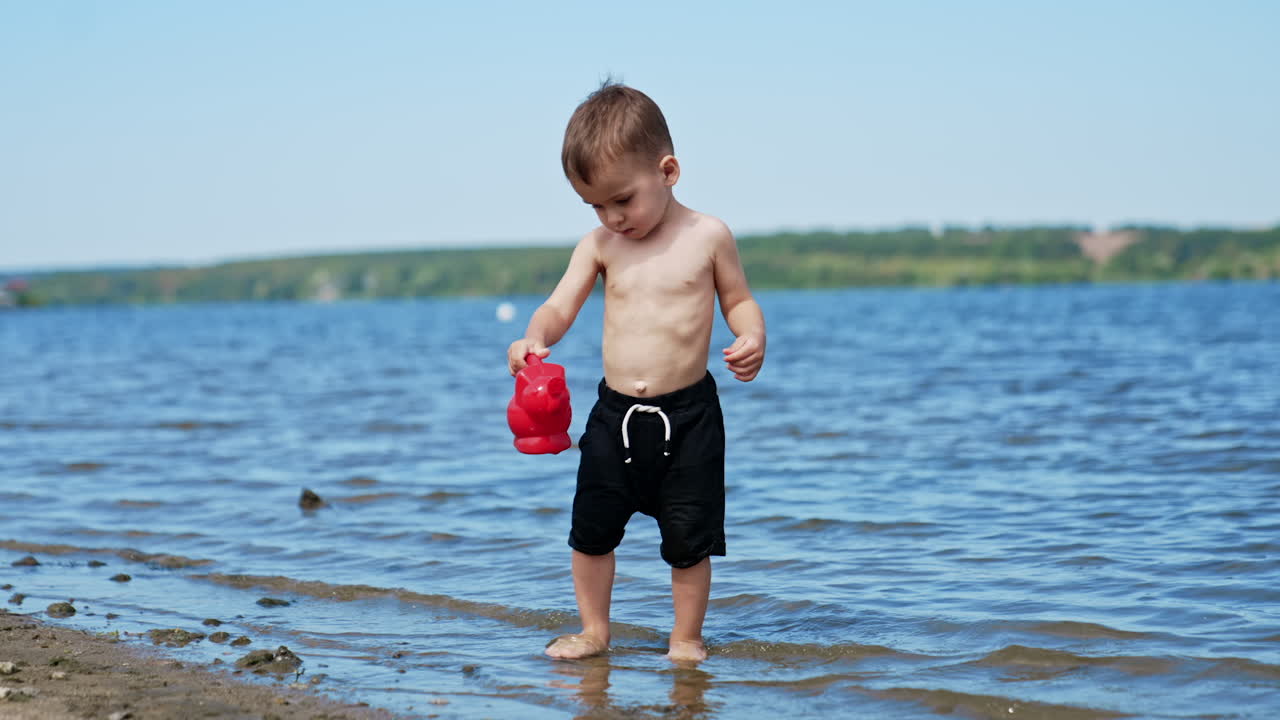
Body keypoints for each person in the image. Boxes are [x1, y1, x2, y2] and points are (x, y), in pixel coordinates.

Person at [507, 82, 766, 663]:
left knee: (689, 540)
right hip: (615, 415)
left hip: (689, 417)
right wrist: (535, 338)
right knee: (591, 531)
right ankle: (595, 631)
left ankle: (685, 638)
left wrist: (752, 335)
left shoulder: (708, 236)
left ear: (668, 170)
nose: (612, 216)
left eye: (622, 199)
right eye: (596, 205)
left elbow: (739, 301)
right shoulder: (599, 246)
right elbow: (559, 306)